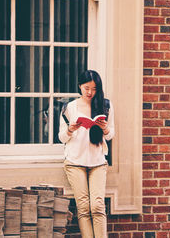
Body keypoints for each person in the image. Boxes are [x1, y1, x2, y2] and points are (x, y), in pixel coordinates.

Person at [58, 70, 115, 238]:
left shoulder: (105, 105)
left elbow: (111, 135)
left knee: (97, 206)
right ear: (79, 87)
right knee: (83, 208)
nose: (90, 92)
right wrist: (70, 130)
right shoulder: (70, 107)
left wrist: (104, 128)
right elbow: (61, 137)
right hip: (75, 162)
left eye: (94, 89)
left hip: (97, 162)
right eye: (86, 88)